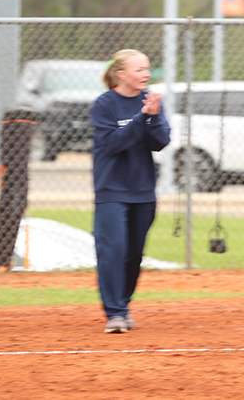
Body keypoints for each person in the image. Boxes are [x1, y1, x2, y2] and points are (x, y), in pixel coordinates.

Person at [90, 50, 170, 334]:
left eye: (147, 69)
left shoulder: (151, 101)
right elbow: (112, 143)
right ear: (121, 74)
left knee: (133, 254)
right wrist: (141, 118)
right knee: (113, 250)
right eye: (139, 69)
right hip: (111, 188)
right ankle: (115, 313)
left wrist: (154, 116)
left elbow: (160, 142)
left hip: (143, 189)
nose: (146, 74)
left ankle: (123, 304)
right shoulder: (104, 104)